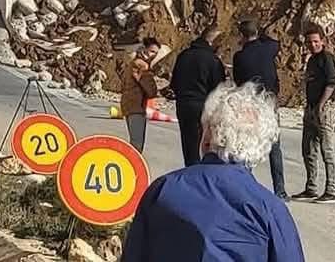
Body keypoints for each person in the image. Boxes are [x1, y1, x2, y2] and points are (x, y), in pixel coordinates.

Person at [122, 82, 305, 262]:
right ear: (261, 145)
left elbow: (134, 254)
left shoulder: (163, 189)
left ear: (208, 136)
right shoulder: (270, 209)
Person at [233, 17, 288, 200]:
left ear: (241, 35)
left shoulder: (240, 57)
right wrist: (262, 33)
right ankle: (280, 190)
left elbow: (238, 83)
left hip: (251, 104)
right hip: (270, 103)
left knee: (248, 144)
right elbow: (276, 42)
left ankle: (245, 186)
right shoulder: (268, 49)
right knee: (274, 147)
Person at [292, 25, 335, 204]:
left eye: (316, 41)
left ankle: (331, 190)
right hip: (311, 108)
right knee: (308, 150)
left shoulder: (326, 59)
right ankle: (311, 187)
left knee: (326, 150)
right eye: (309, 42)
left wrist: (321, 105)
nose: (313, 45)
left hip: (325, 108)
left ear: (323, 41)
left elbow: (332, 83)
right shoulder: (312, 60)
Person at [170, 25, 226, 166]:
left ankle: (190, 170)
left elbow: (174, 83)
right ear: (212, 42)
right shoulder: (213, 61)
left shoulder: (183, 55)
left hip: (183, 105)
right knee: (206, 145)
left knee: (188, 145)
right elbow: (219, 89)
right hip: (204, 106)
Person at [120, 36, 160, 153]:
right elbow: (151, 91)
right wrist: (147, 72)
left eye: (156, 53)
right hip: (135, 107)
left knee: (135, 143)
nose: (154, 55)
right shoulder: (140, 65)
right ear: (144, 49)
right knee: (136, 145)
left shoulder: (133, 63)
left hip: (131, 105)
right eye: (152, 51)